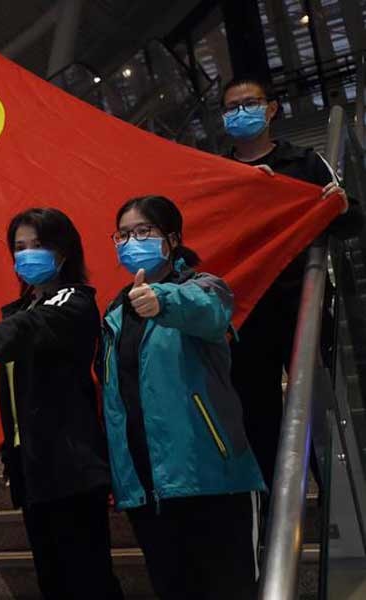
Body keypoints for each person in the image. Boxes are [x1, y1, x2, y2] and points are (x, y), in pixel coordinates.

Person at [0, 208, 122, 599]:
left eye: (38, 245)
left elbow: (26, 330)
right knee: (53, 581)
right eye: (19, 247)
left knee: (88, 580)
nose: (27, 255)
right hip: (34, 471)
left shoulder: (74, 301)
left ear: (63, 252)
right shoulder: (24, 307)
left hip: (72, 466)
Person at [100, 195, 265, 600]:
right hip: (148, 491)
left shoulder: (204, 287)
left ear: (172, 239)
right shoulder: (115, 313)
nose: (131, 242)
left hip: (211, 482)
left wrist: (163, 300)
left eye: (144, 232)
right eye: (123, 234)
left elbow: (209, 313)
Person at [221, 75, 364, 488]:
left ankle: (338, 492)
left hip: (300, 301)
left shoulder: (304, 163)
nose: (241, 112)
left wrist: (329, 207)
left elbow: (350, 216)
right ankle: (272, 500)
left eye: (250, 103)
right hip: (243, 309)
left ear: (270, 109)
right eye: (232, 107)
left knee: (319, 402)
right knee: (255, 409)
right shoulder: (218, 171)